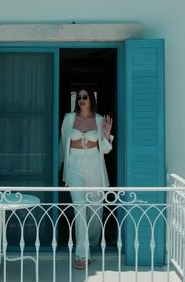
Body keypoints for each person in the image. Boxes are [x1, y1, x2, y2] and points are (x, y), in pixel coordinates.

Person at [58, 88, 113, 270]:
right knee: (80, 208)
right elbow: (62, 143)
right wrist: (59, 167)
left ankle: (93, 244)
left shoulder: (99, 120)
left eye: (85, 97)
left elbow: (105, 150)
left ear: (91, 99)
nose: (81, 100)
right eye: (79, 97)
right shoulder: (68, 119)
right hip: (75, 164)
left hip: (94, 163)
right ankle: (82, 254)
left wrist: (106, 134)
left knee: (96, 209)